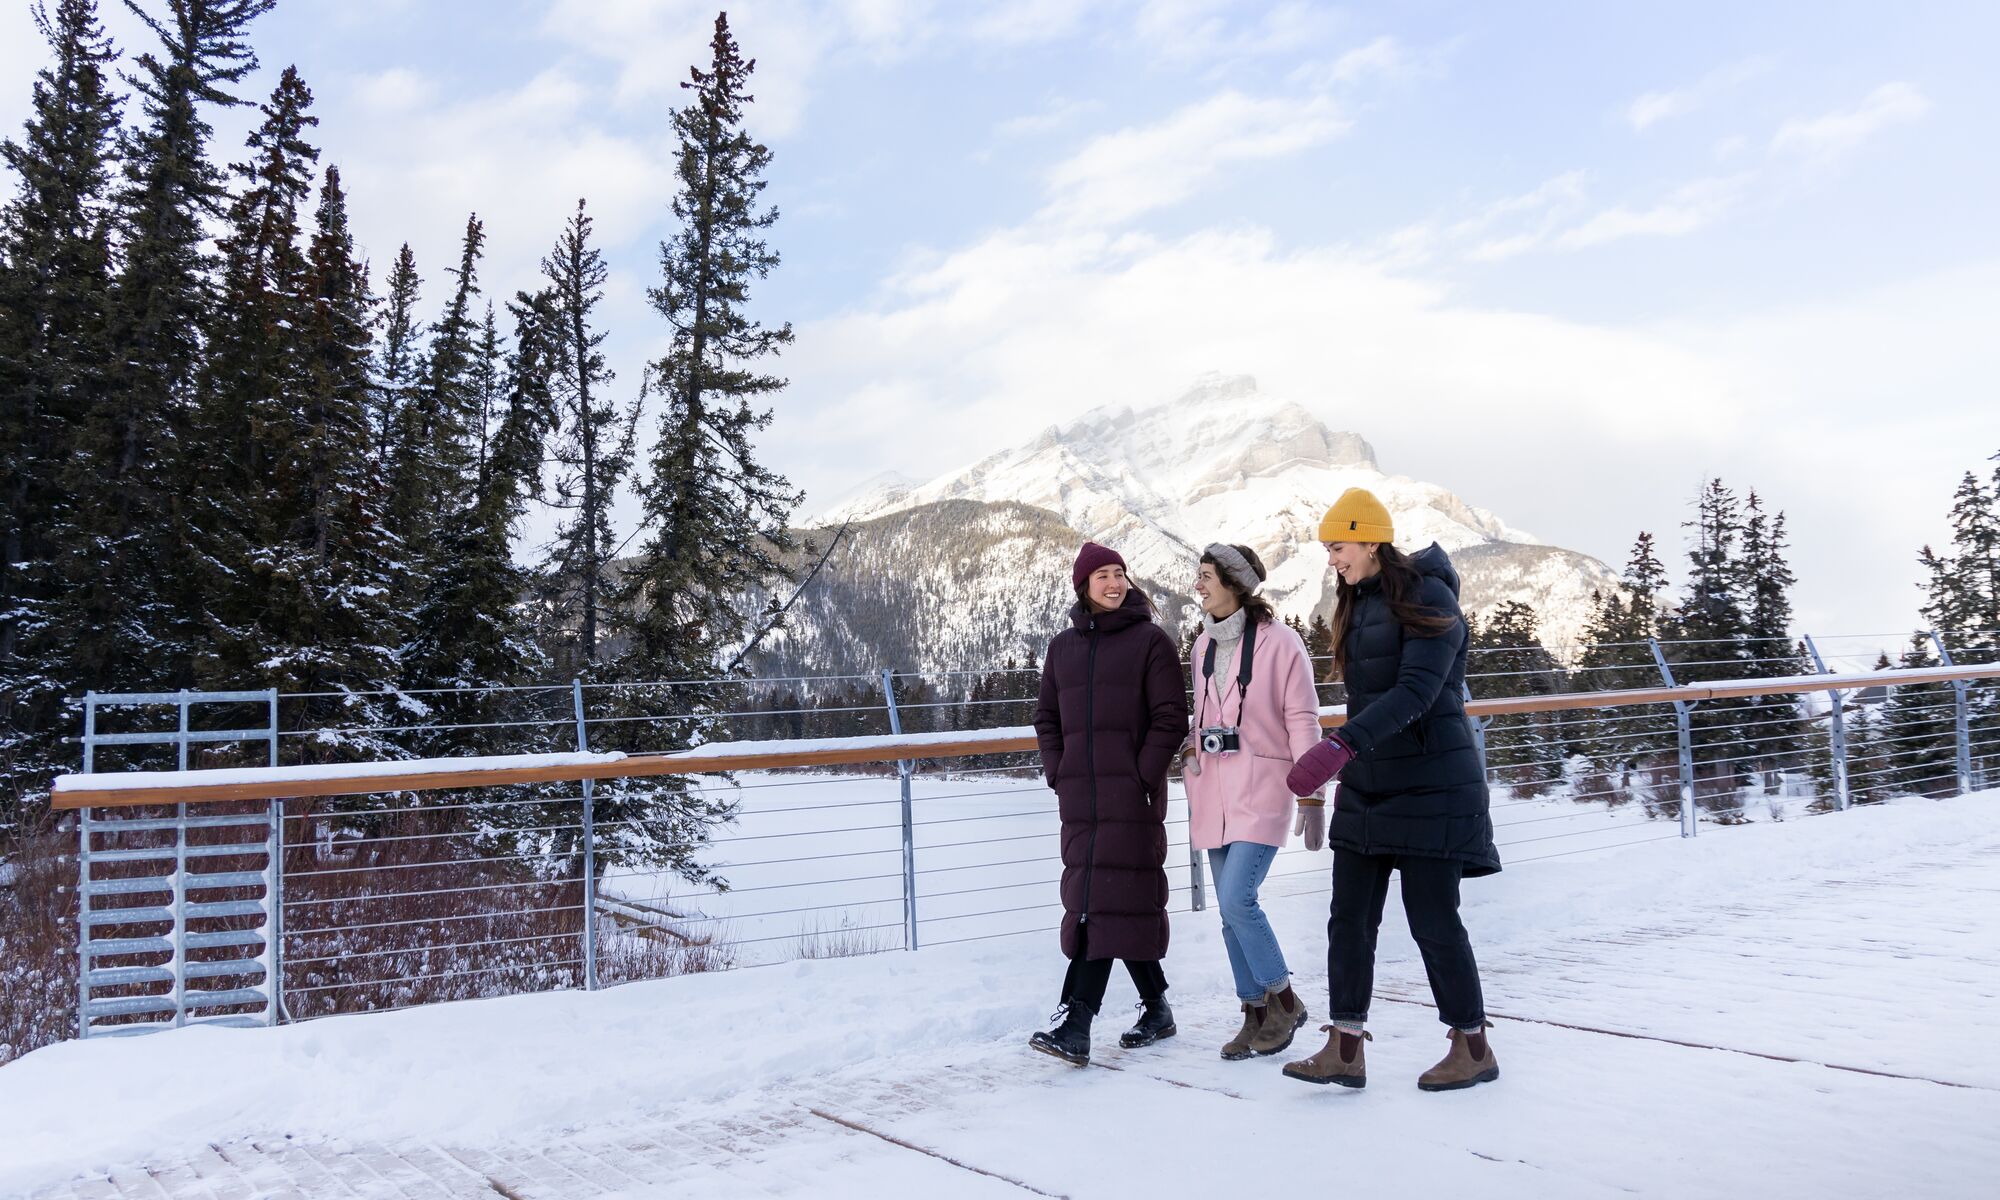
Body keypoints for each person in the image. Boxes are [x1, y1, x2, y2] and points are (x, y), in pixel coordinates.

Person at [1281, 488, 1502, 1091]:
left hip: (1433, 783)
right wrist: (1349, 754)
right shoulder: (1357, 603)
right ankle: (1345, 1047)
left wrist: (1338, 746)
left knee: (1432, 919)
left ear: (1371, 539)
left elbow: (1417, 694)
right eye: (1328, 549)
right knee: (1348, 919)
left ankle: (1473, 1046)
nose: (1332, 559)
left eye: (1339, 546)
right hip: (1371, 783)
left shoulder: (1430, 596)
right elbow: (1370, 697)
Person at [1029, 542, 1190, 1067]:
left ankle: (1075, 1021)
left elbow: (1171, 718)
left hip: (1131, 797)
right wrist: (1059, 771)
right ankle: (1157, 1007)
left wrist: (1142, 775)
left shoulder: (1152, 643)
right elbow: (1046, 719)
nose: (1114, 583)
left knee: (1103, 902)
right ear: (1084, 584)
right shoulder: (1062, 648)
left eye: (1120, 573)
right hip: (1079, 799)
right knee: (1111, 901)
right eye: (1102, 575)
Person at [1183, 543, 1328, 1061]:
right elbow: (1205, 717)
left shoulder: (1282, 643)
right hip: (1213, 790)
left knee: (1238, 899)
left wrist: (1313, 794)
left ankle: (1284, 1000)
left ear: (1234, 582)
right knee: (1229, 913)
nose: (1197, 586)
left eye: (1205, 576)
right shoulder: (1202, 648)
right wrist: (1191, 749)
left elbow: (1302, 720)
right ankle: (1255, 1012)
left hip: (1263, 787)